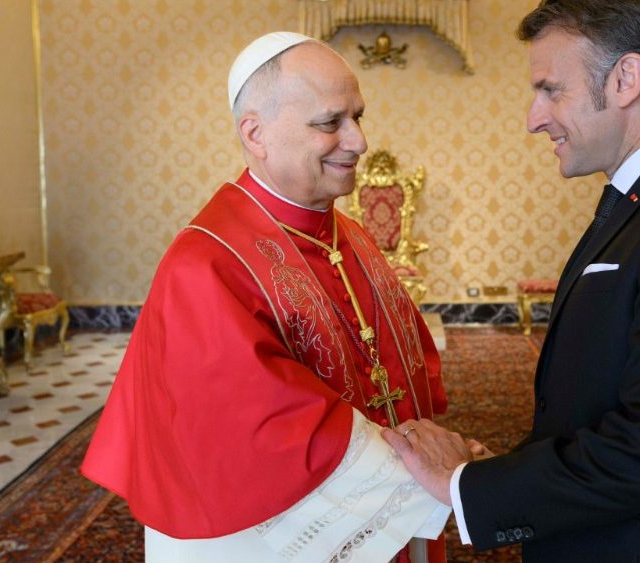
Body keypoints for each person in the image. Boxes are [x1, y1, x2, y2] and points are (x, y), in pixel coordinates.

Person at [382, 1, 640, 561]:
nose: (534, 117)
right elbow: (598, 400)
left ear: (626, 78)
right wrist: (500, 470)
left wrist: (466, 486)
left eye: (552, 90)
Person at [81, 32, 471, 563]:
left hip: (391, 515)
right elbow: (260, 435)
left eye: (358, 117)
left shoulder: (350, 235)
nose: (358, 141)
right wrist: (441, 476)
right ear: (256, 133)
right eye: (330, 122)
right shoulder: (207, 264)